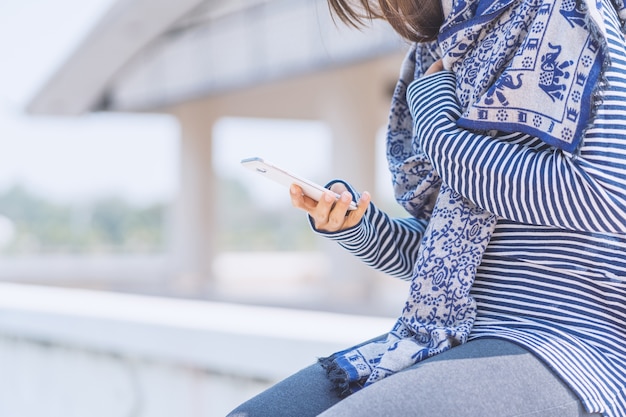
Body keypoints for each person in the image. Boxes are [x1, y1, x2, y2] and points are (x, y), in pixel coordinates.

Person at [227, 0, 626, 415]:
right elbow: (444, 256)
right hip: (446, 331)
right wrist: (357, 227)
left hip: (567, 336)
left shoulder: (568, 12)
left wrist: (437, 128)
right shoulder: (438, 53)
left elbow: (604, 197)